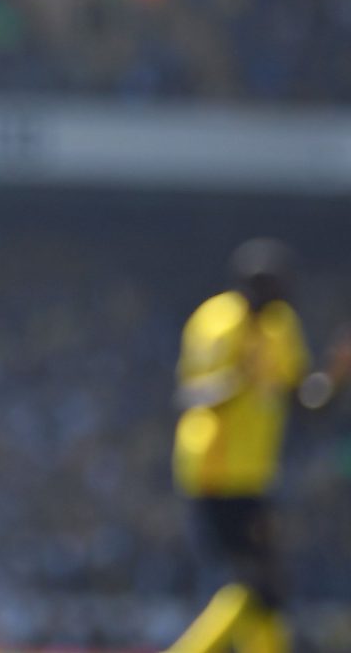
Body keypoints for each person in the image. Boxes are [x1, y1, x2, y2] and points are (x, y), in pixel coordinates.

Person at [167, 239, 351, 653]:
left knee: (266, 586)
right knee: (259, 582)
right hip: (213, 466)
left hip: (254, 471)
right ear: (248, 285)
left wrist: (336, 376)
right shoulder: (217, 321)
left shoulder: (280, 326)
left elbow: (305, 403)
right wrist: (238, 377)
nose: (280, 296)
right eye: (272, 286)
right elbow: (189, 394)